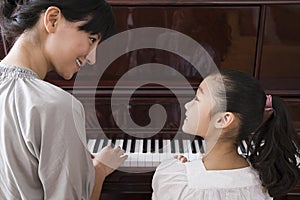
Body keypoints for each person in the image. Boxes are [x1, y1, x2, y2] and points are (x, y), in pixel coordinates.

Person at [0, 0, 127, 199]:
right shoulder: (58, 106)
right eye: (92, 39)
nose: (92, 59)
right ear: (53, 20)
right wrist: (99, 170)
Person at [152, 69, 300, 200]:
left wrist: (179, 171)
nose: (187, 105)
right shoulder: (263, 180)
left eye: (197, 99)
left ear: (224, 119)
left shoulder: (173, 179)